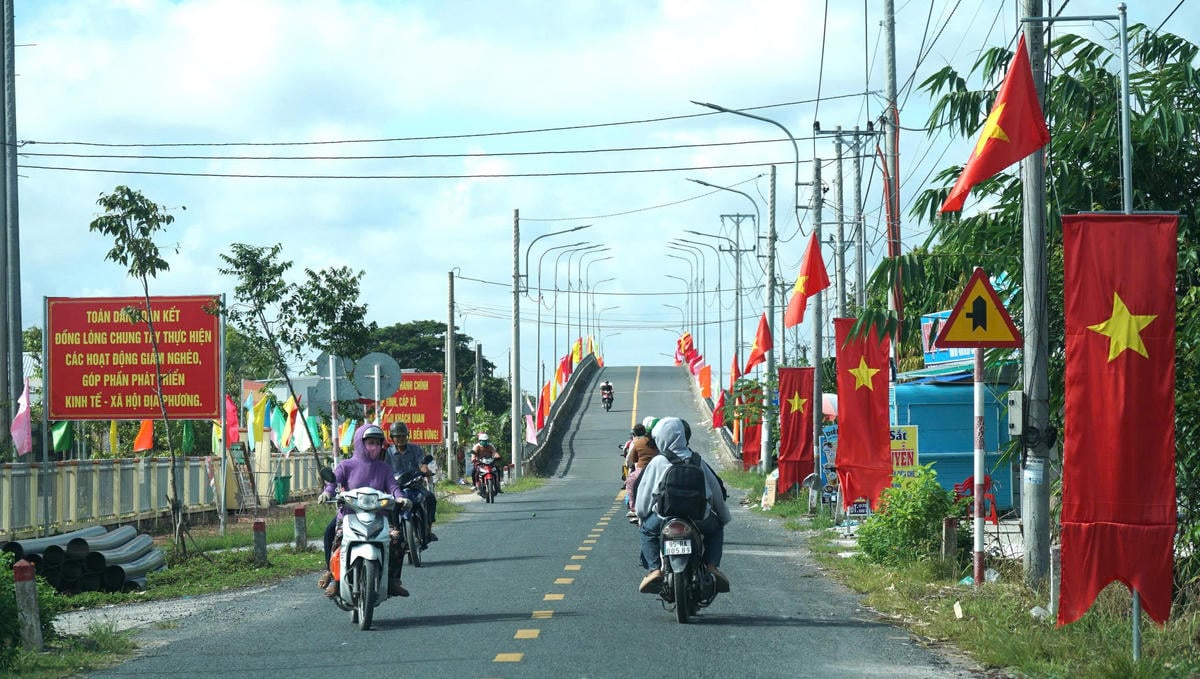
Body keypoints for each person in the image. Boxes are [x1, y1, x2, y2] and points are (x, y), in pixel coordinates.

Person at [634, 416, 731, 594]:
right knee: (716, 529)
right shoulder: (697, 460)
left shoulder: (658, 462)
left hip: (664, 516)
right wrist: (723, 517)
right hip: (699, 515)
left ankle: (655, 569)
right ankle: (711, 567)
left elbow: (644, 495)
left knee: (647, 531)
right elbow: (715, 492)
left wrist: (642, 515)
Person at [317, 423, 410, 598]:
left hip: (379, 516)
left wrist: (400, 497)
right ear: (360, 442)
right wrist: (327, 492)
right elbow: (333, 482)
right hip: (349, 515)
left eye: (377, 443)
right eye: (370, 442)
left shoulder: (384, 468)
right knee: (333, 536)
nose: (374, 446)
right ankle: (333, 576)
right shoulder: (346, 465)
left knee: (398, 541)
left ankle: (392, 580)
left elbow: (393, 487)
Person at [386, 421, 438, 545]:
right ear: (392, 438)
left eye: (403, 436)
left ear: (407, 436)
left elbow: (422, 464)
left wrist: (425, 470)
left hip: (415, 485)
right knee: (388, 504)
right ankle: (394, 529)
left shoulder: (415, 449)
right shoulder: (388, 453)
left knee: (430, 498)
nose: (400, 439)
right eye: (397, 436)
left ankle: (429, 529)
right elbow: (383, 468)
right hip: (396, 487)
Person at [623, 423, 657, 522]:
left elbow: (632, 460)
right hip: (656, 469)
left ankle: (633, 508)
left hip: (641, 470)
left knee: (629, 482)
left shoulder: (637, 443)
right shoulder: (658, 442)